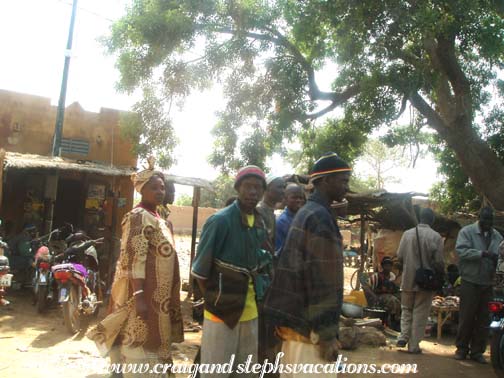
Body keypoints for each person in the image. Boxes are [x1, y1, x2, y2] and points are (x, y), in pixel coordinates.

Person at [88, 164, 183, 377]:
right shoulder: (138, 215)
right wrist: (139, 294)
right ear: (142, 189)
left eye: (162, 188)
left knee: (156, 336)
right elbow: (134, 257)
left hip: (160, 294)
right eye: (155, 188)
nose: (160, 192)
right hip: (143, 291)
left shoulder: (160, 219)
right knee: (137, 336)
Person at [264, 152, 351, 377]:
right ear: (324, 181)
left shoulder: (307, 212)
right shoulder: (319, 217)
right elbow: (322, 281)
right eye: (343, 181)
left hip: (296, 324)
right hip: (309, 331)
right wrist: (327, 333)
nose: (347, 187)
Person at [191, 165, 271, 378]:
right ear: (238, 188)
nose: (253, 192)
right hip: (221, 313)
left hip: (251, 311)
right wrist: (214, 301)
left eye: (258, 188)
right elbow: (200, 271)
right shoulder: (220, 220)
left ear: (263, 192)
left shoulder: (261, 222)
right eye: (247, 186)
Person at [454, 207, 503, 363]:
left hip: (488, 283)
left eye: (490, 220)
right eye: (485, 219)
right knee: (467, 316)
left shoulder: (497, 236)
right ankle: (461, 349)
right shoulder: (467, 232)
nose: (487, 223)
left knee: (484, 319)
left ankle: (477, 351)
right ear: (479, 217)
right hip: (470, 281)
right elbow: (461, 251)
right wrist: (482, 254)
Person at [396, 208, 444, 354]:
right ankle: (414, 346)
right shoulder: (436, 237)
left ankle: (403, 336)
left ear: (420, 218)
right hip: (426, 282)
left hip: (408, 278)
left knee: (406, 309)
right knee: (420, 313)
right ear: (432, 220)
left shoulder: (407, 234)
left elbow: (399, 256)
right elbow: (439, 262)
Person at [361, 257, 401, 328]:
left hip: (390, 295)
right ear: (382, 266)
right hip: (379, 296)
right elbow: (365, 286)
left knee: (401, 298)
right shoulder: (377, 276)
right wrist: (374, 296)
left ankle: (397, 319)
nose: (388, 267)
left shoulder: (392, 276)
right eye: (386, 265)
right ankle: (393, 321)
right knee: (392, 300)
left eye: (389, 265)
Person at [257, 174, 286, 253]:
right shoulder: (259, 211)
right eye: (279, 187)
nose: (283, 191)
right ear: (266, 188)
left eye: (284, 187)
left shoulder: (270, 211)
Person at [275, 183, 305, 256]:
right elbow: (281, 252)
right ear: (285, 200)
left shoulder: (302, 217)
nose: (298, 200)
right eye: (294, 197)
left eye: (301, 198)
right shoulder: (282, 222)